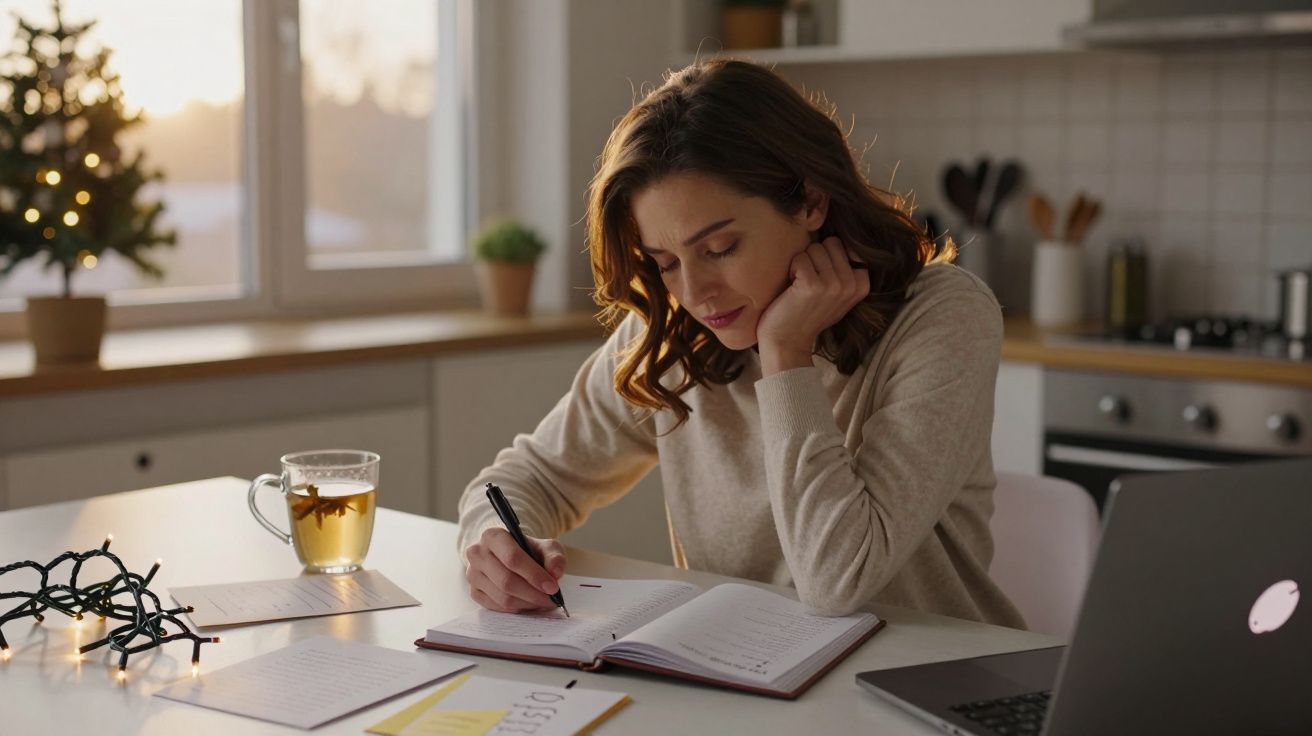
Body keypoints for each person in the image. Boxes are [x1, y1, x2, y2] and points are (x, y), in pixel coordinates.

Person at [456, 58, 1025, 628]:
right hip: (749, 687)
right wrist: (491, 541)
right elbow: (523, 479)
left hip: (930, 686)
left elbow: (836, 580)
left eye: (721, 248)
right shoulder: (675, 335)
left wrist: (785, 354)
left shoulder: (943, 317)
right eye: (665, 263)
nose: (696, 293)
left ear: (811, 202)